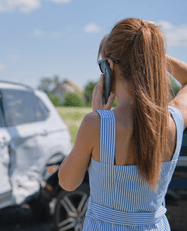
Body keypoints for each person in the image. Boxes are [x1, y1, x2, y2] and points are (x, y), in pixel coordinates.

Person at [58, 17, 187, 230]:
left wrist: (99, 116)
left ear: (109, 67)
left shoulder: (95, 124)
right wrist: (150, 54)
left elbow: (67, 182)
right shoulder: (173, 120)